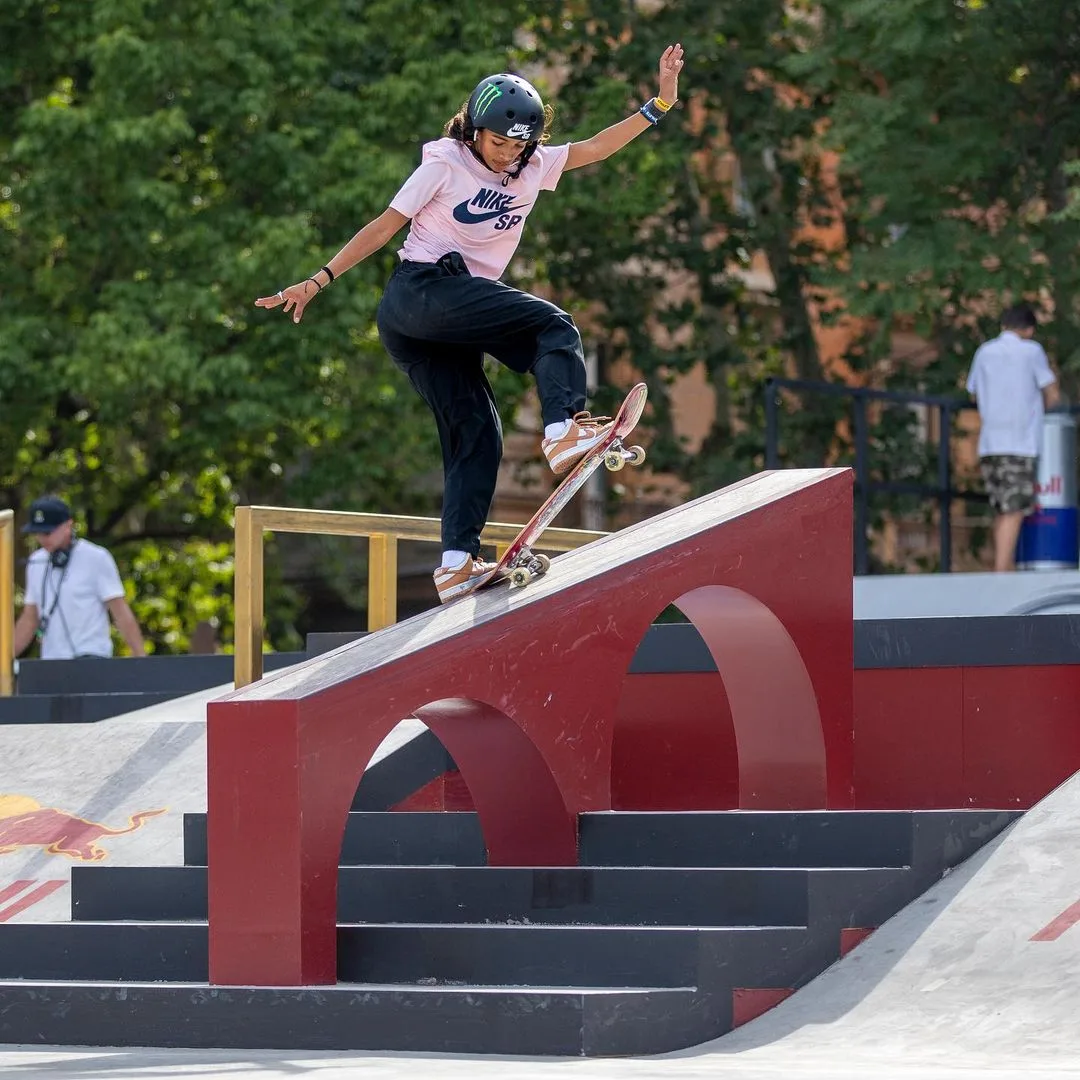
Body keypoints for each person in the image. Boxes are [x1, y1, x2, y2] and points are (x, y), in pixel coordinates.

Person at [256, 45, 685, 602]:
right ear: (475, 131)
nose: (508, 154)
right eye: (498, 142)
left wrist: (661, 102)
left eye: (518, 145)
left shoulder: (535, 165)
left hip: (445, 319)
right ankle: (563, 430)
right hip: (421, 293)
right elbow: (385, 225)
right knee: (553, 327)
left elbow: (598, 147)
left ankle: (457, 563)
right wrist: (317, 279)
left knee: (477, 435)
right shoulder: (444, 162)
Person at [966, 303, 1061, 572]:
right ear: (1029, 329)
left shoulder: (984, 351)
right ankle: (1002, 570)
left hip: (989, 443)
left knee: (1001, 507)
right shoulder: (1032, 351)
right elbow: (1051, 392)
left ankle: (1001, 565)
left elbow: (972, 391)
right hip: (1019, 442)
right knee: (1015, 509)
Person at [12, 495, 147, 659]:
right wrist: (5, 658)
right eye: (37, 533)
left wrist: (140, 658)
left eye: (48, 532)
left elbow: (119, 611)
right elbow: (30, 619)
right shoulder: (36, 562)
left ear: (68, 525)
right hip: (52, 662)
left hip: (91, 658)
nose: (42, 538)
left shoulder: (96, 558)